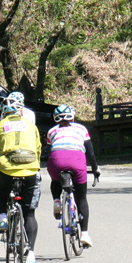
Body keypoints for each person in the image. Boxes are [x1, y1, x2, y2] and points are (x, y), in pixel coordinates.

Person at [0, 93, 42, 263]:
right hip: (31, 169)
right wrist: (35, 168)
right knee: (29, 213)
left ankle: (3, 217)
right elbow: (38, 149)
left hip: (7, 169)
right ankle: (31, 255)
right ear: (20, 111)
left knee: (0, 193)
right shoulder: (31, 126)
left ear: (3, 112)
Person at [46, 104, 100, 248]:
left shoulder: (52, 131)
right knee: (81, 198)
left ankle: (57, 201)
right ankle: (84, 234)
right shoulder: (82, 129)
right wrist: (95, 169)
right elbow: (90, 152)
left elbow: (49, 149)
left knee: (55, 179)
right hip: (76, 160)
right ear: (73, 117)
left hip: (56, 160)